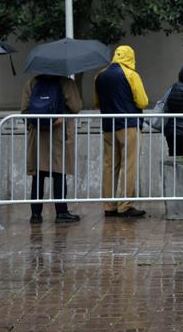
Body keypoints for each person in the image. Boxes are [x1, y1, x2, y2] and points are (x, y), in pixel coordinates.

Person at [95, 45, 148, 218]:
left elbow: (97, 102)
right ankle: (125, 205)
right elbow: (142, 102)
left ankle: (109, 206)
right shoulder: (131, 74)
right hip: (128, 124)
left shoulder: (100, 75)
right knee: (128, 164)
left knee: (109, 165)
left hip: (108, 126)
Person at [22, 74, 83, 223]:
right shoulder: (65, 82)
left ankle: (35, 215)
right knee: (59, 173)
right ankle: (61, 212)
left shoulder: (32, 81)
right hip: (59, 133)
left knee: (38, 175)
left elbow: (24, 111)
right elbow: (76, 106)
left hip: (38, 135)